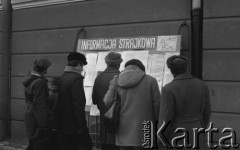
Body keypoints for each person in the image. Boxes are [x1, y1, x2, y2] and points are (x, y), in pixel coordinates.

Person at [104, 59, 161, 150]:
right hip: (145, 126)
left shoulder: (116, 80)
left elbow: (107, 101)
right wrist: (158, 122)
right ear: (142, 69)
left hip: (122, 126)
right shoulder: (151, 81)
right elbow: (157, 105)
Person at [157, 55, 211, 150]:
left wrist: (161, 138)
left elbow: (165, 118)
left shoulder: (168, 89)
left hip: (177, 131)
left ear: (171, 70)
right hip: (198, 128)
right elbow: (207, 111)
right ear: (186, 68)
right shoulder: (202, 85)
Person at [58, 52, 92, 150]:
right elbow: (78, 103)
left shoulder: (62, 76)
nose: (82, 69)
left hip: (63, 122)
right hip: (74, 124)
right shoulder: (76, 79)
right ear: (77, 65)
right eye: (82, 66)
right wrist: (81, 124)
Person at [92, 52, 122, 150]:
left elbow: (94, 100)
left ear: (107, 63)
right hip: (118, 123)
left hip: (104, 123)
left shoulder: (99, 78)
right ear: (118, 64)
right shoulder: (121, 77)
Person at [23, 58, 51, 150]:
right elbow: (40, 104)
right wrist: (43, 124)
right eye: (47, 68)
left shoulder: (30, 79)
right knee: (38, 143)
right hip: (36, 117)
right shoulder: (39, 82)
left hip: (29, 112)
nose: (47, 71)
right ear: (43, 69)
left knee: (33, 142)